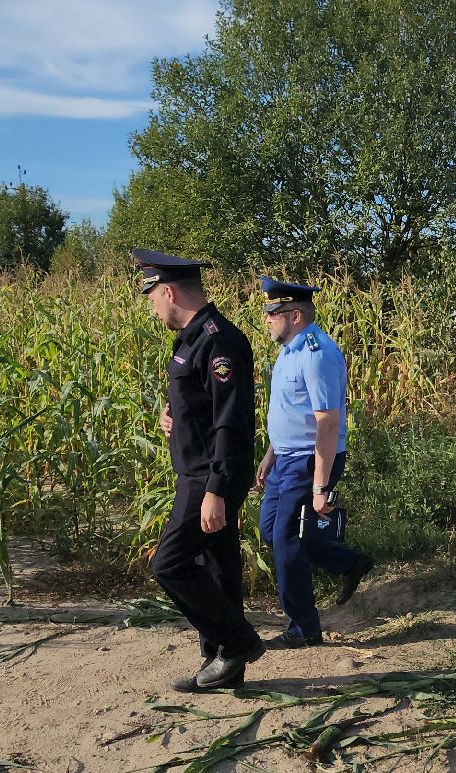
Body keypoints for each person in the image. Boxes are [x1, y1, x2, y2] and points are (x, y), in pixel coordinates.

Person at [133, 249, 265, 692]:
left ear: (169, 292)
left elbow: (231, 420)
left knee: (169, 564)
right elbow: (202, 402)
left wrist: (216, 490)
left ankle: (238, 642)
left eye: (152, 297)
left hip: (209, 476)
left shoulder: (217, 340)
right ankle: (223, 663)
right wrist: (173, 413)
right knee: (217, 564)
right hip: (199, 470)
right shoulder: (192, 339)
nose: (153, 308)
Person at [253, 277, 376, 648]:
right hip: (286, 458)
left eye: (273, 312)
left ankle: (303, 628)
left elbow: (327, 423)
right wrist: (272, 453)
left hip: (309, 461)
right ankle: (348, 563)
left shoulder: (316, 353)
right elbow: (291, 411)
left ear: (294, 315)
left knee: (286, 540)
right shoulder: (288, 350)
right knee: (270, 531)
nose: (267, 319)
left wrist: (320, 487)